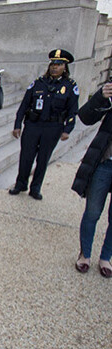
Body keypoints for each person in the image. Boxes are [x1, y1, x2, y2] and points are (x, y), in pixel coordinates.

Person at [9, 49, 79, 200]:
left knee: (43, 159)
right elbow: (24, 105)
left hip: (53, 128)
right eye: (53, 64)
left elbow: (73, 110)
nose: (54, 67)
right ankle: (20, 184)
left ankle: (35, 188)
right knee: (26, 157)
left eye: (59, 65)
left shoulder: (70, 86)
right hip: (33, 125)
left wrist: (68, 129)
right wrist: (17, 125)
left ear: (65, 67)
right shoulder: (38, 83)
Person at [72, 81, 112, 278]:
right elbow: (86, 117)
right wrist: (101, 96)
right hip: (105, 162)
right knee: (93, 211)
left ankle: (106, 257)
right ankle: (84, 254)